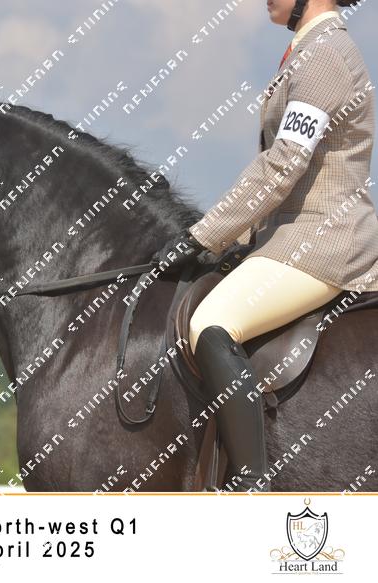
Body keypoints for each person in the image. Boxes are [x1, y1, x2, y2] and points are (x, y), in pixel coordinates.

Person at [150, 0, 378, 492]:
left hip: (324, 240)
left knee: (212, 324)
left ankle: (253, 486)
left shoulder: (325, 56)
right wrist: (236, 239)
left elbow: (282, 165)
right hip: (290, 234)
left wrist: (203, 234)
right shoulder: (306, 52)